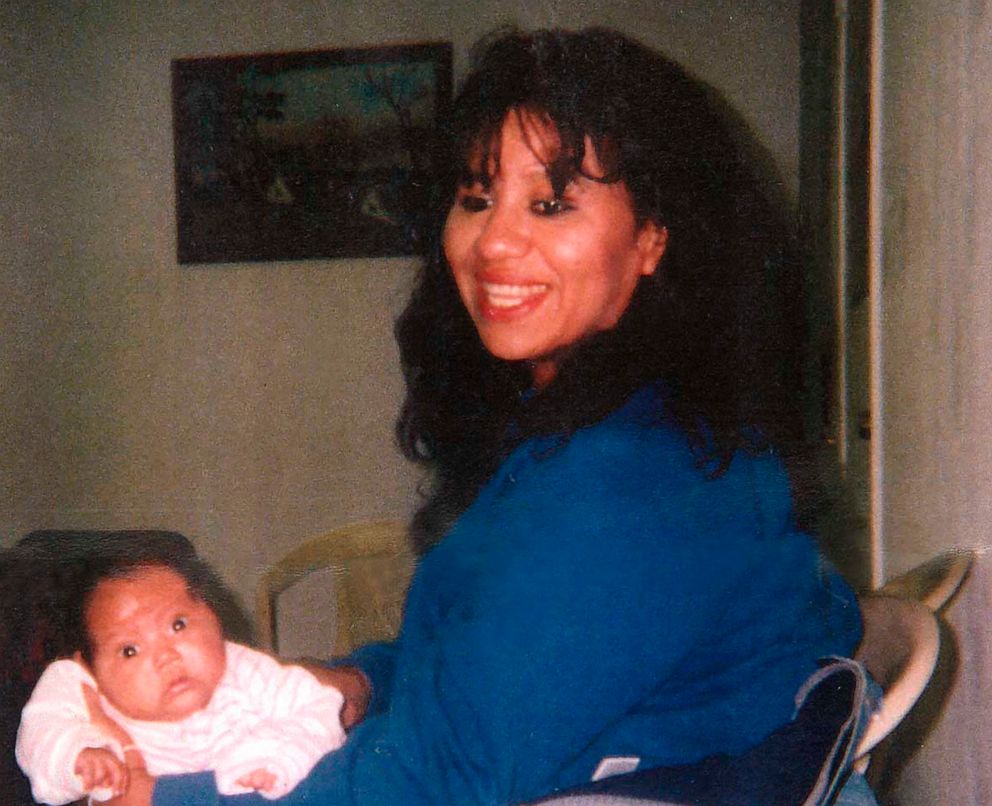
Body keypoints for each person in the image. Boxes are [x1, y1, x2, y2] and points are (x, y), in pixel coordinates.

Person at [106, 27, 865, 805]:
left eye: (551, 203)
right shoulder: (602, 430)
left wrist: (162, 799)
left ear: (652, 238)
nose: (494, 241)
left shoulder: (634, 480)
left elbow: (439, 779)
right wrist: (356, 682)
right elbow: (491, 665)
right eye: (476, 197)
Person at [15, 547, 346, 803]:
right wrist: (77, 755)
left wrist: (279, 758)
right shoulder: (80, 687)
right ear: (88, 668)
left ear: (214, 616)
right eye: (129, 650)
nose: (166, 656)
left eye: (178, 625)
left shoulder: (245, 669)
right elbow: (39, 733)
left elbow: (321, 708)